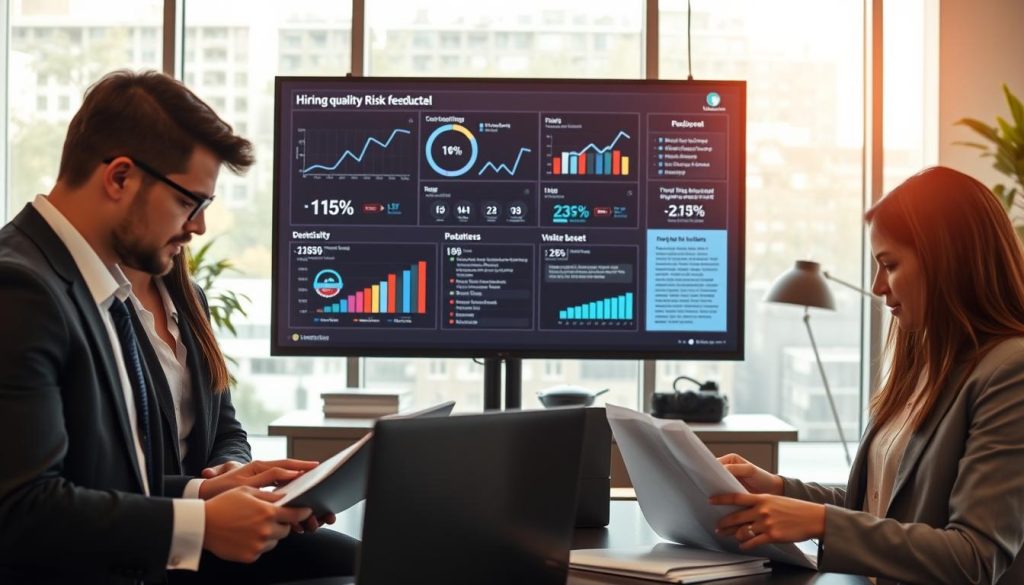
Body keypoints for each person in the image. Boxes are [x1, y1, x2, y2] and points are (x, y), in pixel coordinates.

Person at [0, 70, 327, 584]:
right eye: (188, 201)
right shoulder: (20, 288)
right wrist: (198, 525)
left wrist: (208, 493)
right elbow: (23, 511)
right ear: (120, 178)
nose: (197, 226)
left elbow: (105, 482)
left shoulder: (92, 284)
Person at [710, 166, 1024, 584]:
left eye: (889, 264)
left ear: (947, 261)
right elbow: (884, 505)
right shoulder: (926, 363)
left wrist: (820, 521)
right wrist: (779, 489)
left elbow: (975, 556)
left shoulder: (1009, 372)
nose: (877, 286)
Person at [123, 254, 358, 583]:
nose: (196, 226)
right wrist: (203, 490)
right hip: (161, 530)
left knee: (362, 562)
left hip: (213, 517)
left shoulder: (188, 297)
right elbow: (105, 477)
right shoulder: (105, 310)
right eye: (187, 203)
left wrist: (233, 469)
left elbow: (227, 430)